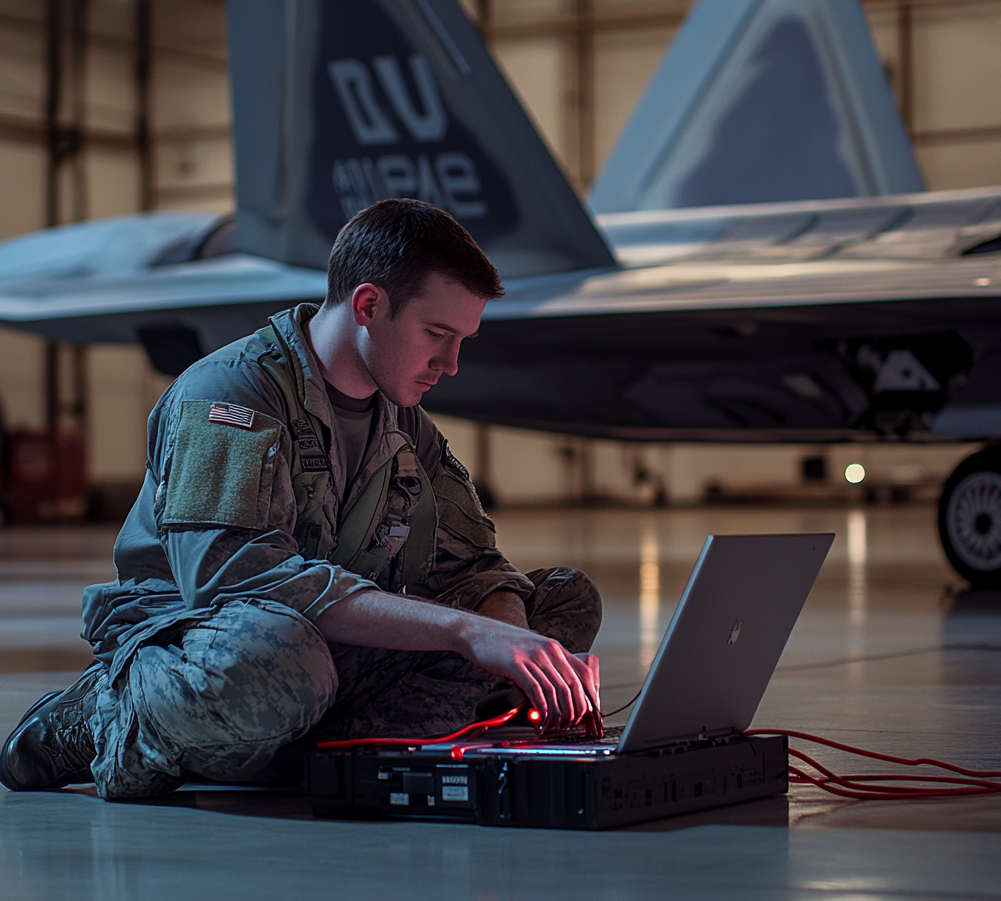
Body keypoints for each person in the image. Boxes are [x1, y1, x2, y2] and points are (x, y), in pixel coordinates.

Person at [0, 199, 602, 800]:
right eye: (437, 335)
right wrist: (463, 633)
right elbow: (235, 580)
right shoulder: (231, 395)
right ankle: (97, 720)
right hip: (205, 639)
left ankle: (295, 745)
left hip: (326, 645)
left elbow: (476, 566)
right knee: (282, 663)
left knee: (558, 607)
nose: (449, 364)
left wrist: (509, 637)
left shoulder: (404, 423)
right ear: (369, 305)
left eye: (462, 340)